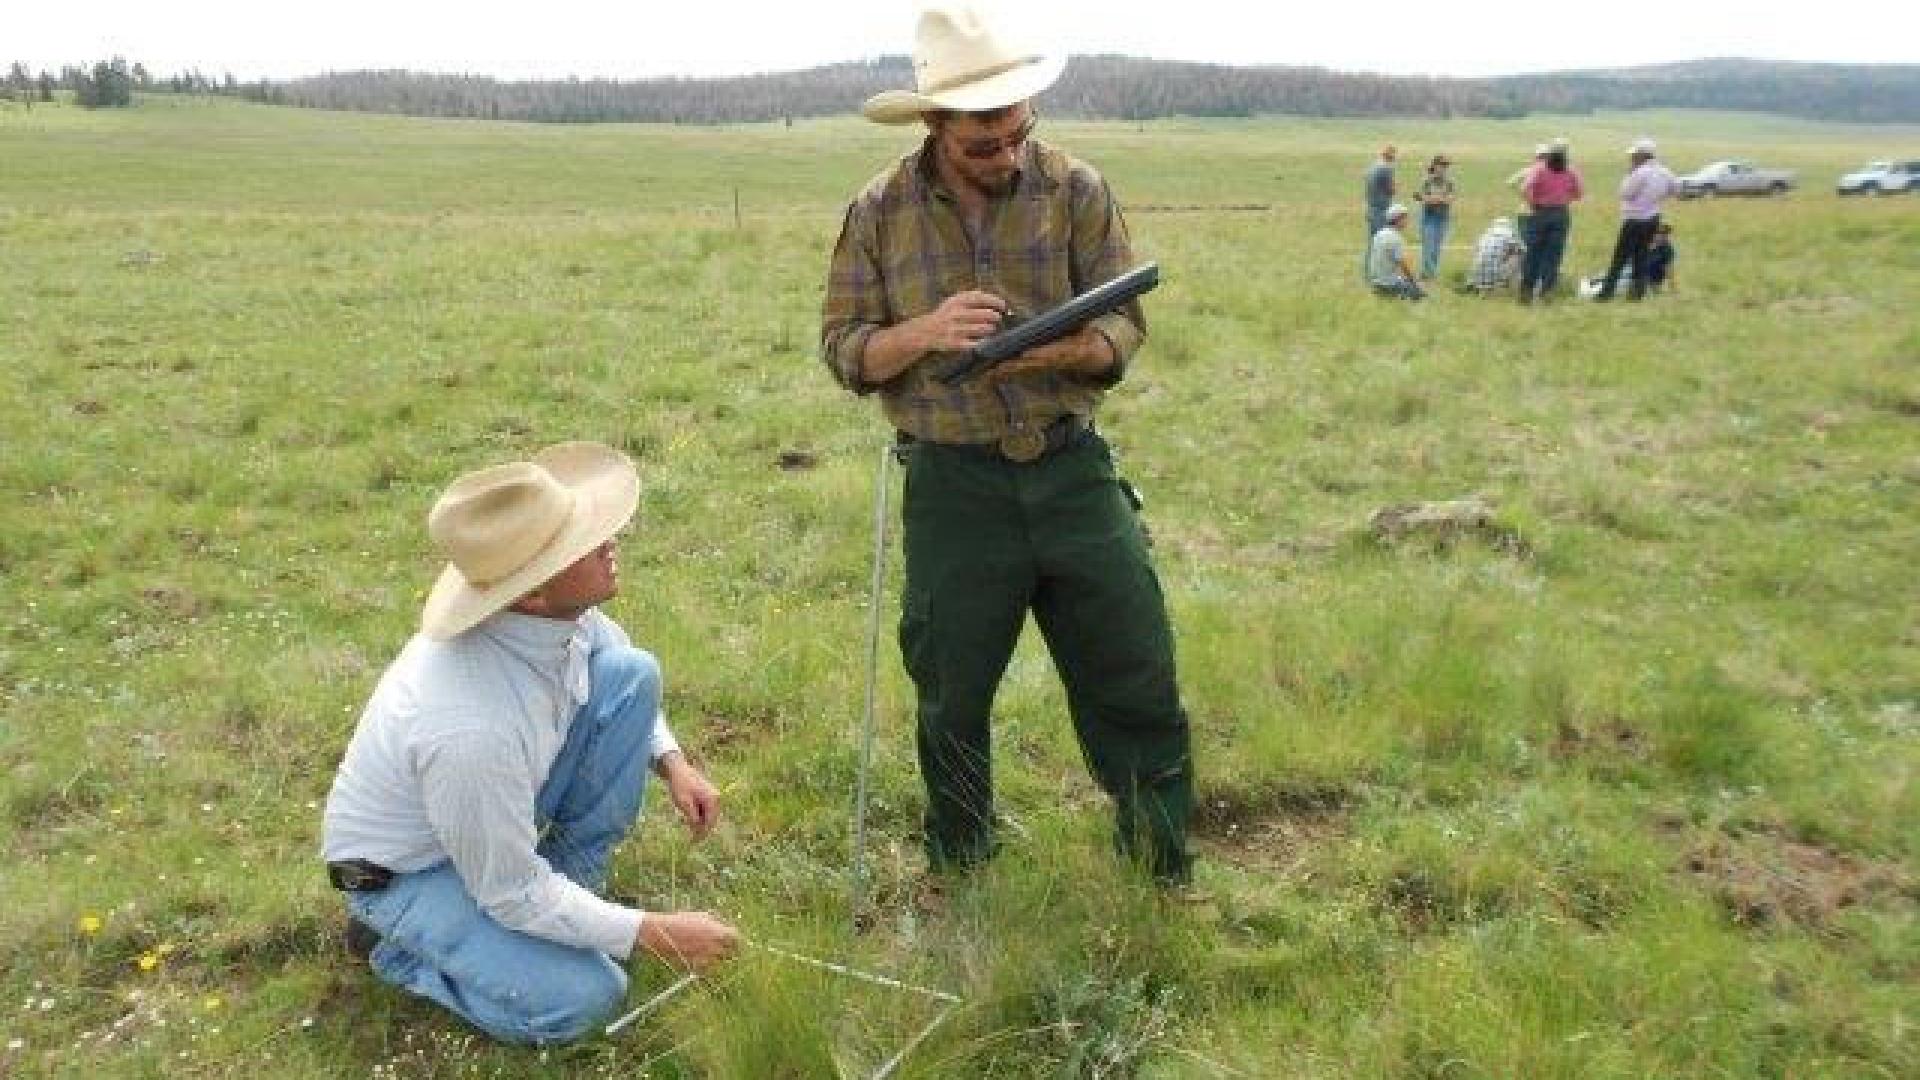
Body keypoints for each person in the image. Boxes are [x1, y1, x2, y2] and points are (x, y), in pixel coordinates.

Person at [820, 4, 1194, 885]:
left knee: (1134, 668)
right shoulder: (876, 212)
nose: (1007, 156)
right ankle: (962, 867)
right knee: (951, 692)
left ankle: (1159, 868)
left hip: (1071, 468)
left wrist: (1046, 347)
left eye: (1019, 135)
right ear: (935, 126)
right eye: (983, 143)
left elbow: (1120, 335)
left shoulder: (1079, 190)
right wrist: (926, 334)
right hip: (953, 486)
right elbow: (844, 350)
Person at [320, 441, 740, 1045]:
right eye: (584, 544)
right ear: (532, 593)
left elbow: (608, 652)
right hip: (410, 871)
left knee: (632, 674)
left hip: (492, 818)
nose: (609, 544)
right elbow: (509, 890)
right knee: (591, 998)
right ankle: (398, 950)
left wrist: (672, 762)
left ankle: (573, 891)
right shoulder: (470, 726)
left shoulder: (558, 617)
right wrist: (653, 931)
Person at [1594, 137, 1678, 301]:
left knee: (1620, 257)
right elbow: (1675, 189)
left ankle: (1606, 294)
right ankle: (1637, 293)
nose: (1632, 158)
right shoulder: (1665, 172)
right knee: (1642, 256)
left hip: (1634, 220)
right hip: (1653, 218)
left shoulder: (1639, 173)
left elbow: (1625, 193)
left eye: (1634, 155)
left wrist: (1629, 174)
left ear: (1641, 155)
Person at [1518, 137, 1584, 304]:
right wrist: (1564, 197)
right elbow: (1579, 193)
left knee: (1533, 253)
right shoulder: (1571, 171)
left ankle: (1526, 293)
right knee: (1553, 256)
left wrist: (1533, 203)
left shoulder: (1539, 169)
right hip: (1561, 214)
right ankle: (1546, 293)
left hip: (1539, 213)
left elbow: (1524, 188)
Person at [1367, 203, 1424, 300]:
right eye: (1405, 218)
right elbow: (1404, 264)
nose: (1407, 221)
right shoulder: (1395, 238)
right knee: (1420, 295)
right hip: (1388, 283)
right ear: (1398, 219)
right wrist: (1415, 283)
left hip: (1375, 281)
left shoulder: (1379, 234)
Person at [1416, 154, 1457, 280]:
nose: (1444, 168)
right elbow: (1422, 199)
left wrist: (1434, 198)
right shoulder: (1427, 181)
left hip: (1443, 218)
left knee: (1437, 247)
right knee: (1428, 246)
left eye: (1446, 166)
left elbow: (1450, 199)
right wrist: (1439, 199)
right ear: (1435, 166)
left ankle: (1428, 273)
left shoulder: (1450, 182)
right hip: (1428, 217)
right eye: (1442, 165)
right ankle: (1429, 274)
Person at [1364, 143, 1399, 276]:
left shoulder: (1372, 167)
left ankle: (1368, 273)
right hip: (1381, 209)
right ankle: (1378, 274)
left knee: (1372, 243)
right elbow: (1392, 190)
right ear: (1391, 155)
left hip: (1371, 208)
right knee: (1382, 242)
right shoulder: (1386, 169)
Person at [1467, 216, 1524, 292]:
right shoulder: (1510, 234)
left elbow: (1476, 251)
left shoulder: (1485, 235)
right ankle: (1513, 286)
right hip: (1495, 276)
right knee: (1520, 255)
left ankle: (1476, 282)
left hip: (1474, 277)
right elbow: (1522, 249)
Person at [1644, 221, 1676, 291]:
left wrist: (1672, 286)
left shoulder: (1667, 249)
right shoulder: (1643, 244)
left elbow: (1668, 268)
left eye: (1666, 234)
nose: (1664, 237)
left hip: (1653, 278)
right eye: (1660, 234)